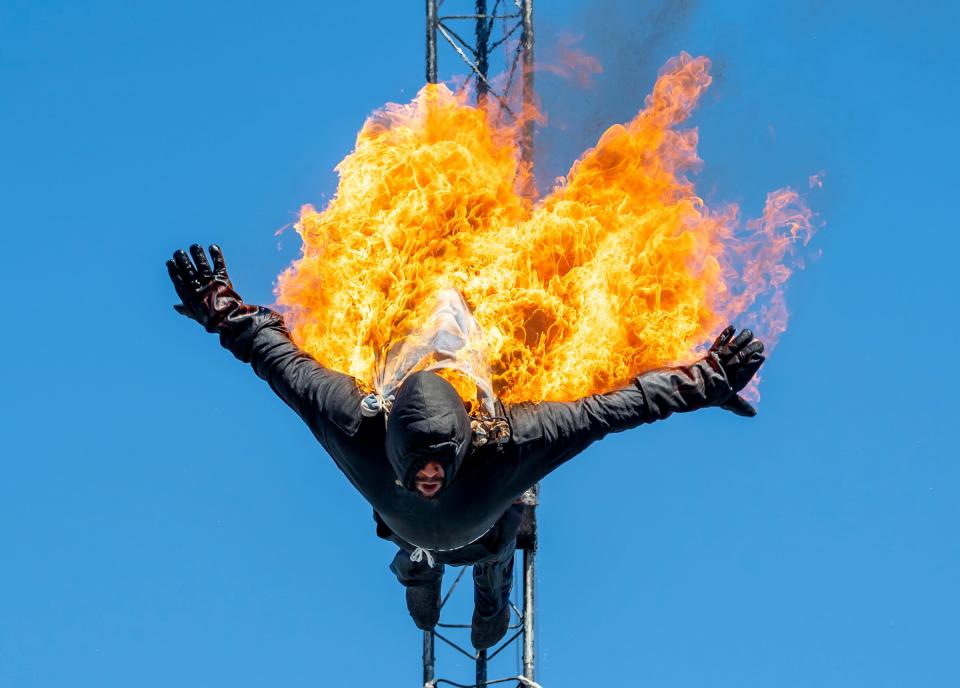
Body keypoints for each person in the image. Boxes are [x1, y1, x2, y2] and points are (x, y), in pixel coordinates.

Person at [166, 244, 766, 649]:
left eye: (436, 462)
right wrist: (223, 312)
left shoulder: (498, 447)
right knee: (439, 535)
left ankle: (482, 587)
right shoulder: (360, 426)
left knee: (501, 527)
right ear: (392, 440)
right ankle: (421, 575)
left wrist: (700, 386)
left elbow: (613, 409)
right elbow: (281, 367)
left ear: (463, 444)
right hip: (417, 521)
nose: (428, 473)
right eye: (420, 463)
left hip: (476, 519)